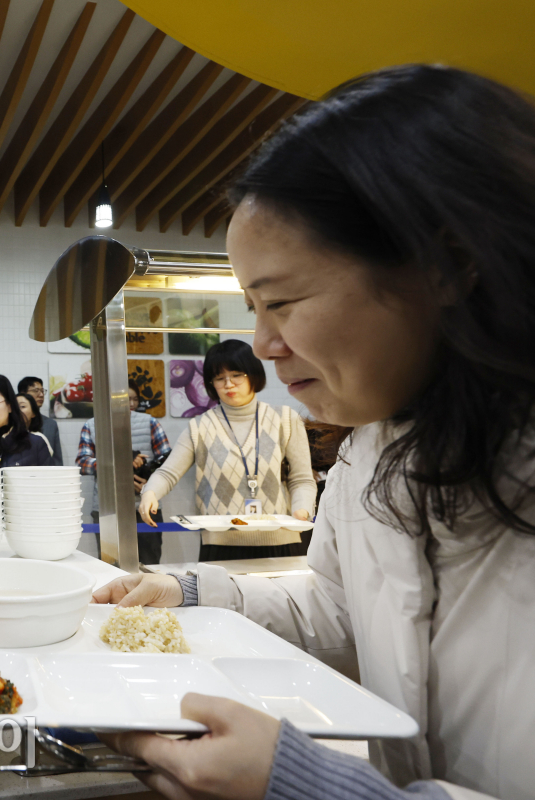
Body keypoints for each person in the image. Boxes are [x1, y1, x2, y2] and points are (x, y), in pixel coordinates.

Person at [93, 64, 535, 800]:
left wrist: (311, 785)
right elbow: (336, 607)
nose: (263, 346)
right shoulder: (373, 451)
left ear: (451, 263)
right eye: (252, 310)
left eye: (283, 302)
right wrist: (189, 591)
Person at [139, 340, 316, 561]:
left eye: (236, 375)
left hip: (281, 542)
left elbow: (302, 479)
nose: (229, 384)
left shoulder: (285, 419)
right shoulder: (200, 426)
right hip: (221, 546)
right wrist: (150, 492)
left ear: (253, 374)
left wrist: (302, 511)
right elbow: (168, 473)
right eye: (220, 378)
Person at [77, 379, 171, 564]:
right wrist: (119, 463)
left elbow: (168, 461)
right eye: (124, 399)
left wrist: (150, 484)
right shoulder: (92, 425)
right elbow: (83, 464)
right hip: (107, 507)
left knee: (149, 563)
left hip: (144, 504)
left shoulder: (150, 422)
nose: (129, 404)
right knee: (110, 564)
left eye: (133, 399)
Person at [17, 376, 63, 465]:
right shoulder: (11, 424)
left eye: (42, 391)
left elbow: (57, 460)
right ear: (23, 394)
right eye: (36, 391)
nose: (41, 395)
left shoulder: (51, 424)